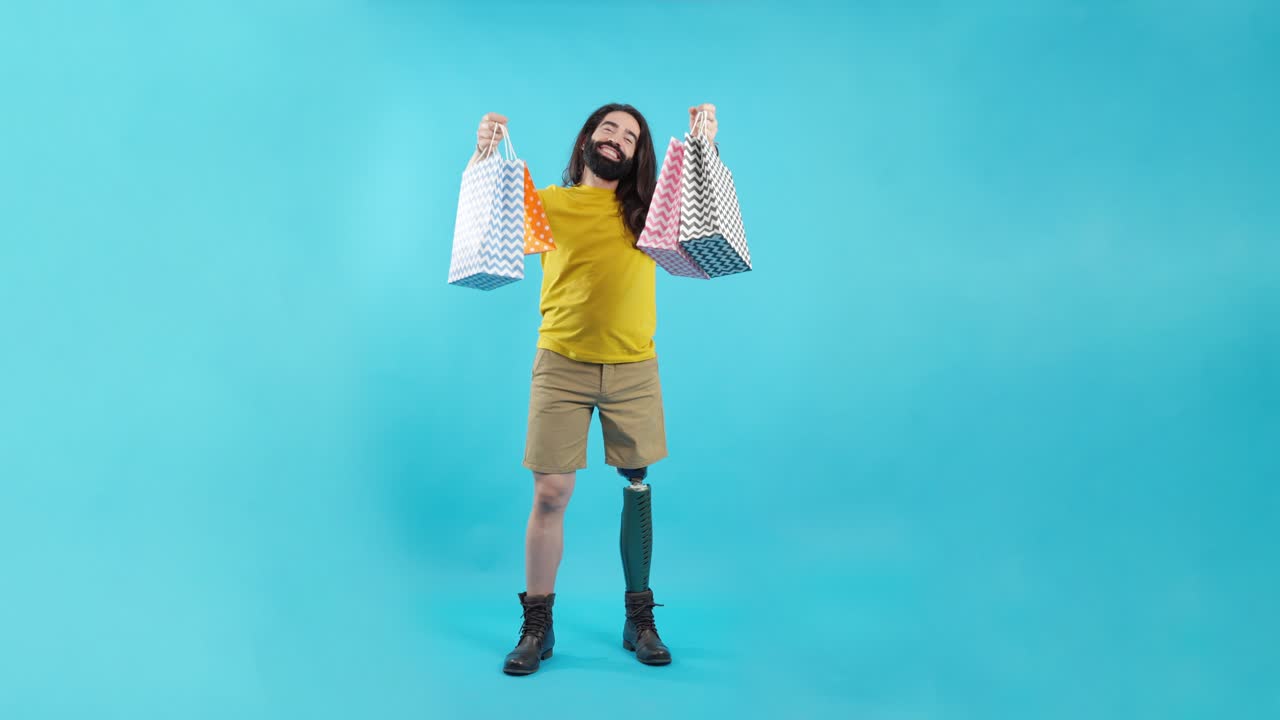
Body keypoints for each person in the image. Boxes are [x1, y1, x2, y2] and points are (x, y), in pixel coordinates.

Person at [467, 103, 719, 675]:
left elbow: (703, 213)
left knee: (637, 487)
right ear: (587, 139)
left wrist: (706, 143)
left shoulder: (649, 212)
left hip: (633, 367)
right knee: (551, 494)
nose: (617, 138)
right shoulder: (548, 204)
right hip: (561, 364)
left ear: (637, 156)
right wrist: (483, 152)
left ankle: (640, 618)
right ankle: (538, 624)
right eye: (608, 127)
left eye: (630, 136)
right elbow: (486, 221)